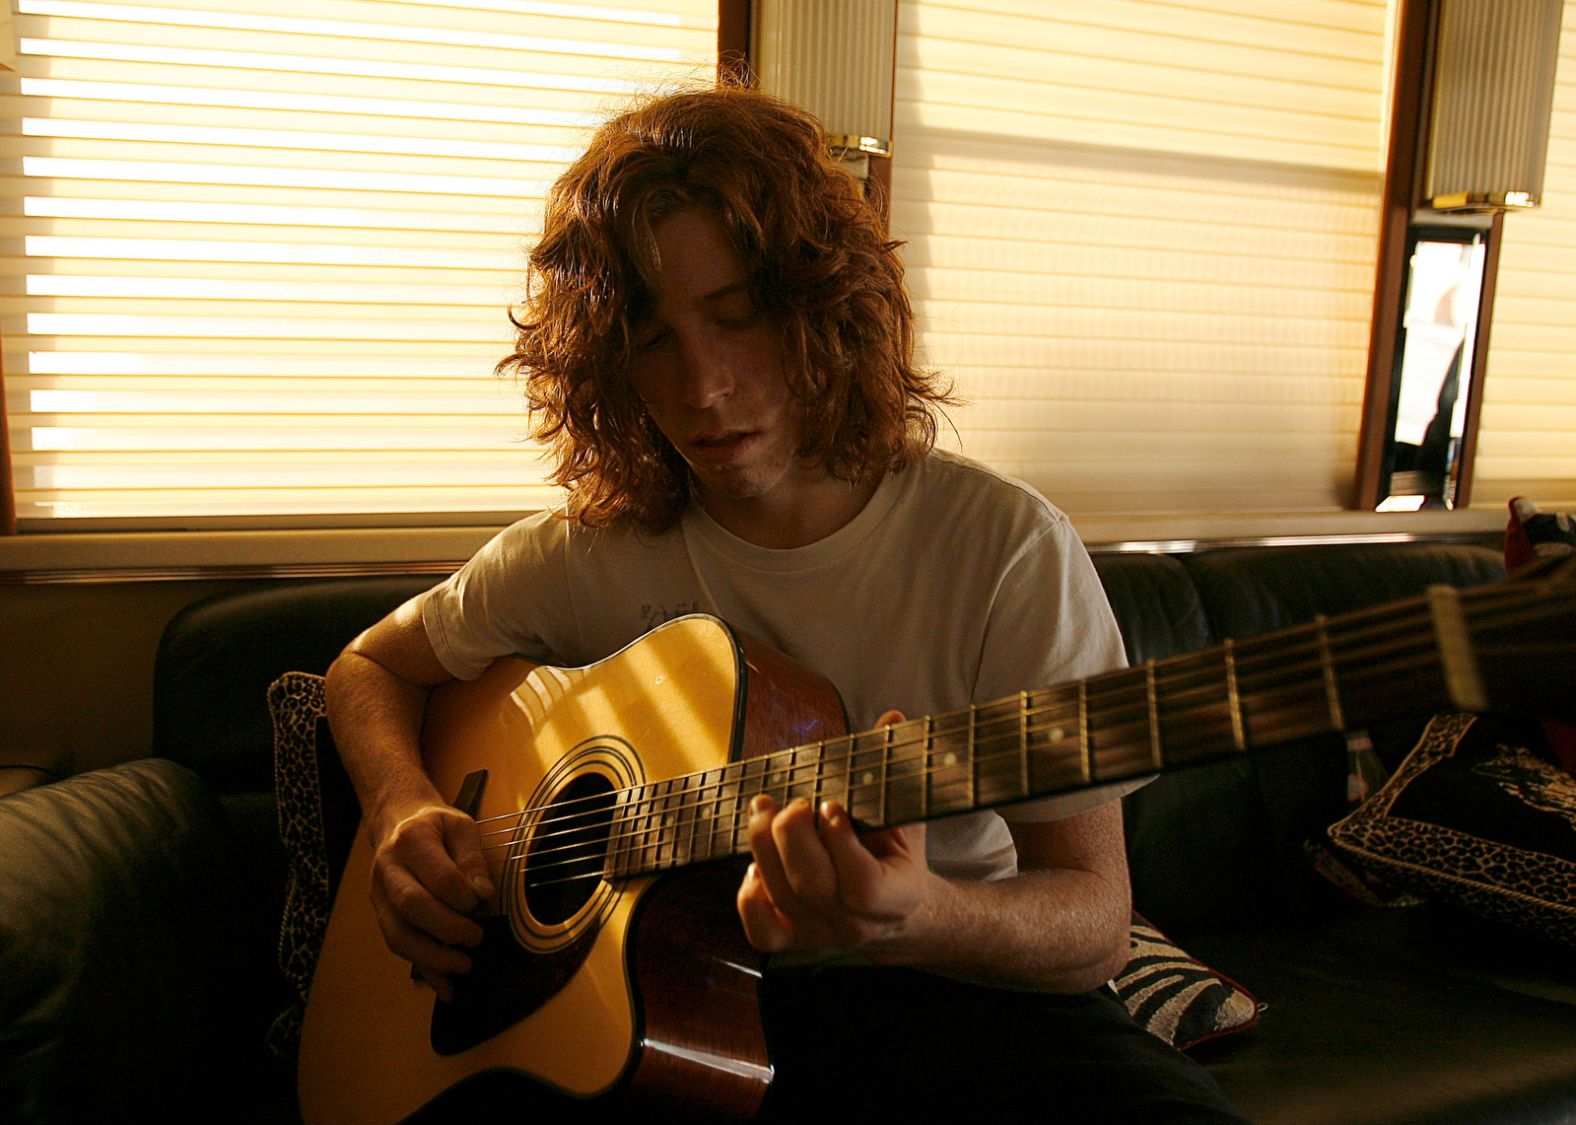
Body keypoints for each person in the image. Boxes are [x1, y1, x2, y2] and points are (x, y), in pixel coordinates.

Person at [324, 85, 1244, 1121]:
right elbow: (367, 666)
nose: (701, 387)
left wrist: (920, 917)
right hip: (663, 1006)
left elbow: (1094, 923)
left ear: (823, 311)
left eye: (738, 318)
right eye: (651, 336)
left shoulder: (1002, 549)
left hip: (957, 994)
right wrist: (406, 807)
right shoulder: (587, 552)